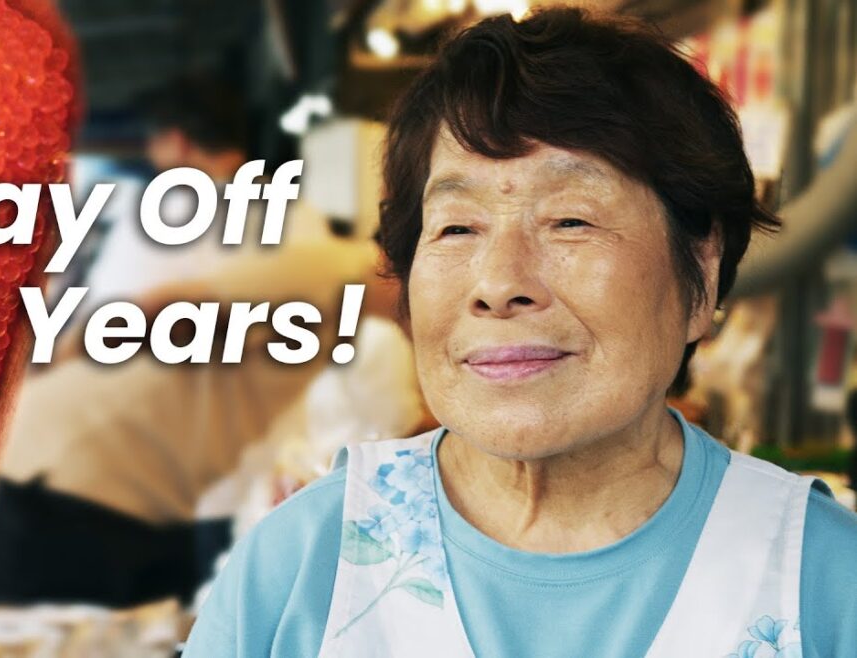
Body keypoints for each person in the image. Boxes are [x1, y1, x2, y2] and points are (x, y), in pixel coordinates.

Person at [184, 8, 857, 657]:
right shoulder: (301, 565)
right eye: (456, 227)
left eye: (571, 220)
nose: (499, 281)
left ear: (702, 272)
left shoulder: (823, 580)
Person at [0, 77, 396, 607]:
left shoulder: (166, 212)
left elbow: (119, 320)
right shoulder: (300, 223)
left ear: (176, 141)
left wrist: (35, 365)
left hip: (104, 482)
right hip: (182, 489)